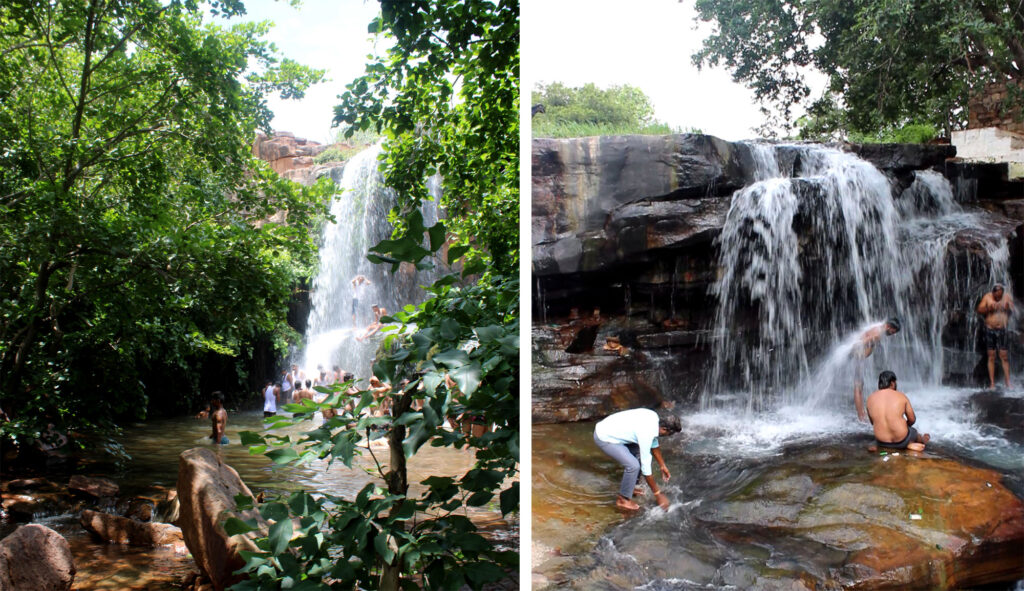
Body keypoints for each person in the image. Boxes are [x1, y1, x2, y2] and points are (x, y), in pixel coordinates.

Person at [593, 408, 682, 511]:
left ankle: (631, 487)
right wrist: (658, 495)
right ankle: (622, 500)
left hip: (612, 428)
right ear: (664, 429)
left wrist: (662, 465)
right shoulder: (646, 433)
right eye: (670, 434)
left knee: (638, 454)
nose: (669, 437)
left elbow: (653, 442)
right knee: (633, 465)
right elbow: (646, 468)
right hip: (604, 436)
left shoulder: (653, 417)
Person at [852, 317, 901, 421]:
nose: (893, 334)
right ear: (888, 326)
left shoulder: (878, 329)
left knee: (860, 386)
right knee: (858, 386)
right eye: (893, 331)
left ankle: (861, 414)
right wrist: (858, 356)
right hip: (859, 358)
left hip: (860, 358)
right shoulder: (877, 334)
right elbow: (860, 343)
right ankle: (861, 416)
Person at [866, 370, 930, 451]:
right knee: (914, 432)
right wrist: (903, 426)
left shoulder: (870, 399)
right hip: (902, 440)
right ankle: (919, 441)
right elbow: (912, 419)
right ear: (892, 383)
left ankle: (883, 446)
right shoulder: (901, 396)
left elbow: (873, 422)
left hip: (882, 442)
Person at [977, 283, 1014, 389]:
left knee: (1004, 356)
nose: (998, 298)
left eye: (1000, 296)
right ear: (993, 293)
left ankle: (1008, 382)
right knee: (991, 356)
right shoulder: (987, 297)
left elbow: (1012, 309)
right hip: (990, 330)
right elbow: (979, 310)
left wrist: (1007, 308)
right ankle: (992, 383)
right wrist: (990, 308)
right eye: (996, 296)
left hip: (1002, 330)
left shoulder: (1007, 297)